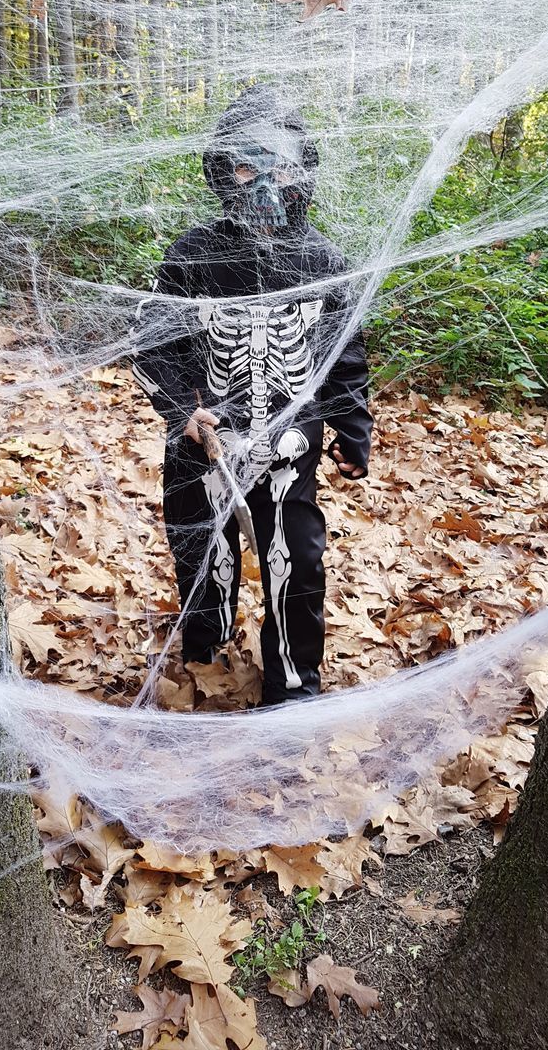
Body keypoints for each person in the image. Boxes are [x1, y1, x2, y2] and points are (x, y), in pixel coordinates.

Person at [133, 85, 373, 705]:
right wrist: (183, 411)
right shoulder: (192, 257)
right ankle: (204, 657)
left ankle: (293, 681)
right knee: (202, 557)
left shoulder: (324, 260)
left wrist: (353, 431)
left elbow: (341, 353)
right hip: (203, 448)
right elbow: (156, 347)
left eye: (283, 166)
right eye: (246, 165)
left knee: (296, 562)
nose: (266, 184)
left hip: (287, 452)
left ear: (304, 172)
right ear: (221, 172)